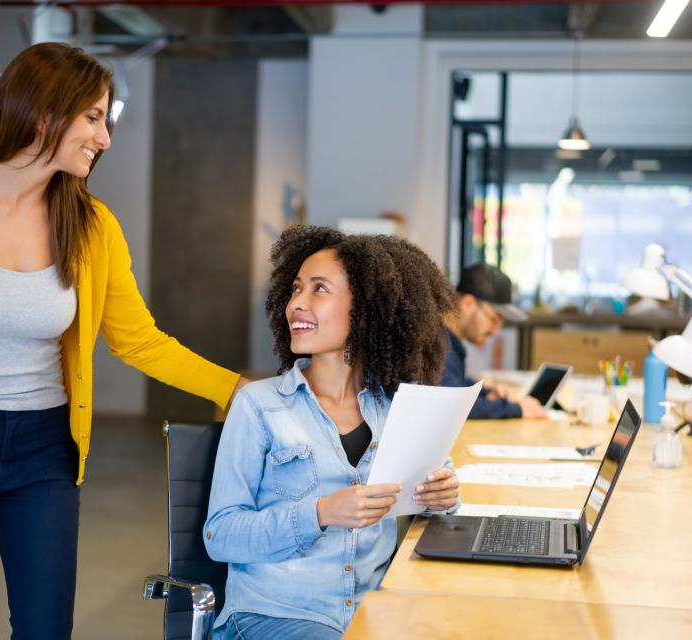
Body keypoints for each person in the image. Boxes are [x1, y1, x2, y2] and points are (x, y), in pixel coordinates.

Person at [0, 42, 247, 640]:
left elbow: (139, 341)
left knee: (46, 630)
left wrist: (239, 388)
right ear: (44, 113)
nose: (105, 137)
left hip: (44, 451)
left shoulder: (92, 225)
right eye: (93, 117)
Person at [204, 226, 461, 639]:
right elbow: (221, 536)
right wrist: (321, 514)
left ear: (366, 309)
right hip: (275, 615)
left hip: (373, 612)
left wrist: (443, 496)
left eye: (319, 290)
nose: (296, 305)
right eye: (295, 290)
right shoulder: (259, 406)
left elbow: (438, 500)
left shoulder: (397, 409)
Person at [440, 262, 547, 419]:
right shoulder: (437, 344)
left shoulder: (449, 342)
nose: (496, 331)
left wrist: (486, 391)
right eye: (494, 319)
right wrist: (517, 409)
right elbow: (452, 404)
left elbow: (454, 385)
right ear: (467, 303)